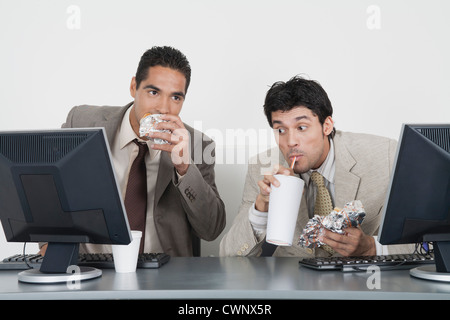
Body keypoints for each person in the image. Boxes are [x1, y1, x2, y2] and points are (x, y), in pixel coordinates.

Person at [40, 46, 226, 257]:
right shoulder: (82, 122)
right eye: (153, 92)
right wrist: (48, 244)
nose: (163, 108)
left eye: (176, 98)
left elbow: (211, 230)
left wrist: (184, 168)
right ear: (133, 86)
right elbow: (49, 189)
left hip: (163, 276)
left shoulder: (198, 145)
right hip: (89, 269)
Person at [220, 75, 412, 257]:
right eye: (280, 130)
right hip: (294, 285)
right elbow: (229, 255)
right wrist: (260, 208)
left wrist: (371, 247)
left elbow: (427, 241)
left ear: (326, 125)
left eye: (301, 127)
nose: (291, 141)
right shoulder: (263, 167)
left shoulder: (385, 155)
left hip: (365, 284)